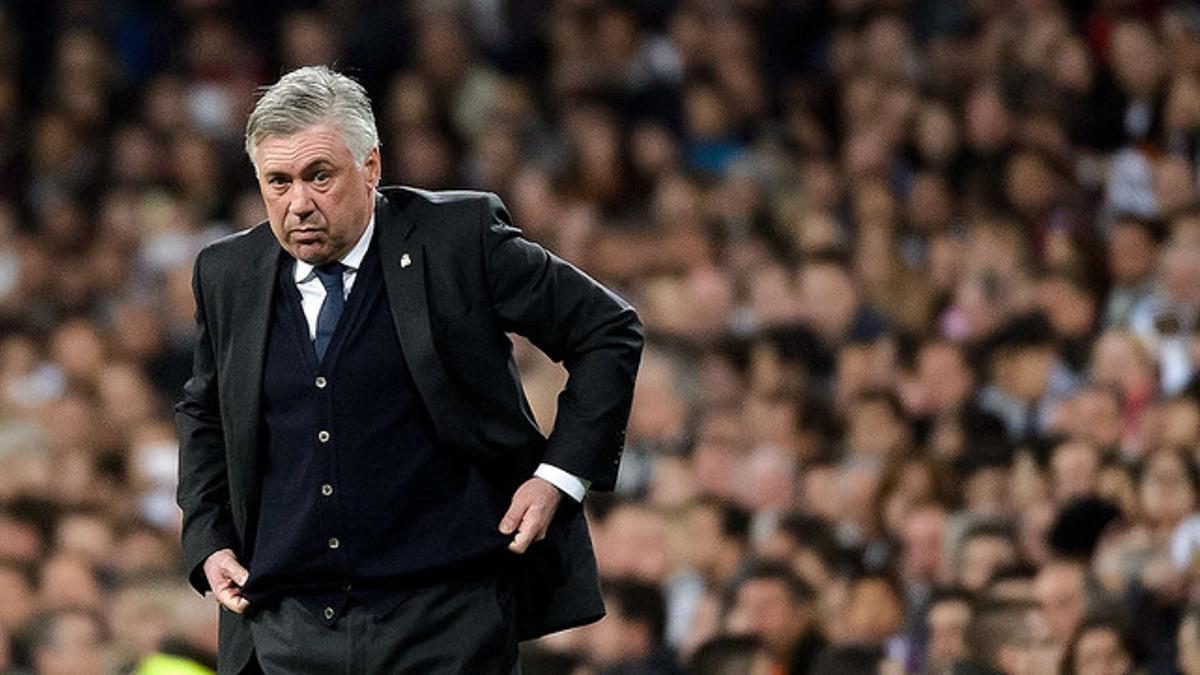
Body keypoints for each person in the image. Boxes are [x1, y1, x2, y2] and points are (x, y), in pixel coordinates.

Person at [174, 65, 644, 674]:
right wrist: (208, 540)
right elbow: (204, 413)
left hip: (445, 619)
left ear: (370, 166)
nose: (299, 204)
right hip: (286, 626)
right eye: (278, 181)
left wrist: (559, 476)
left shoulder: (458, 238)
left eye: (320, 176)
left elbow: (607, 330)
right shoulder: (227, 272)